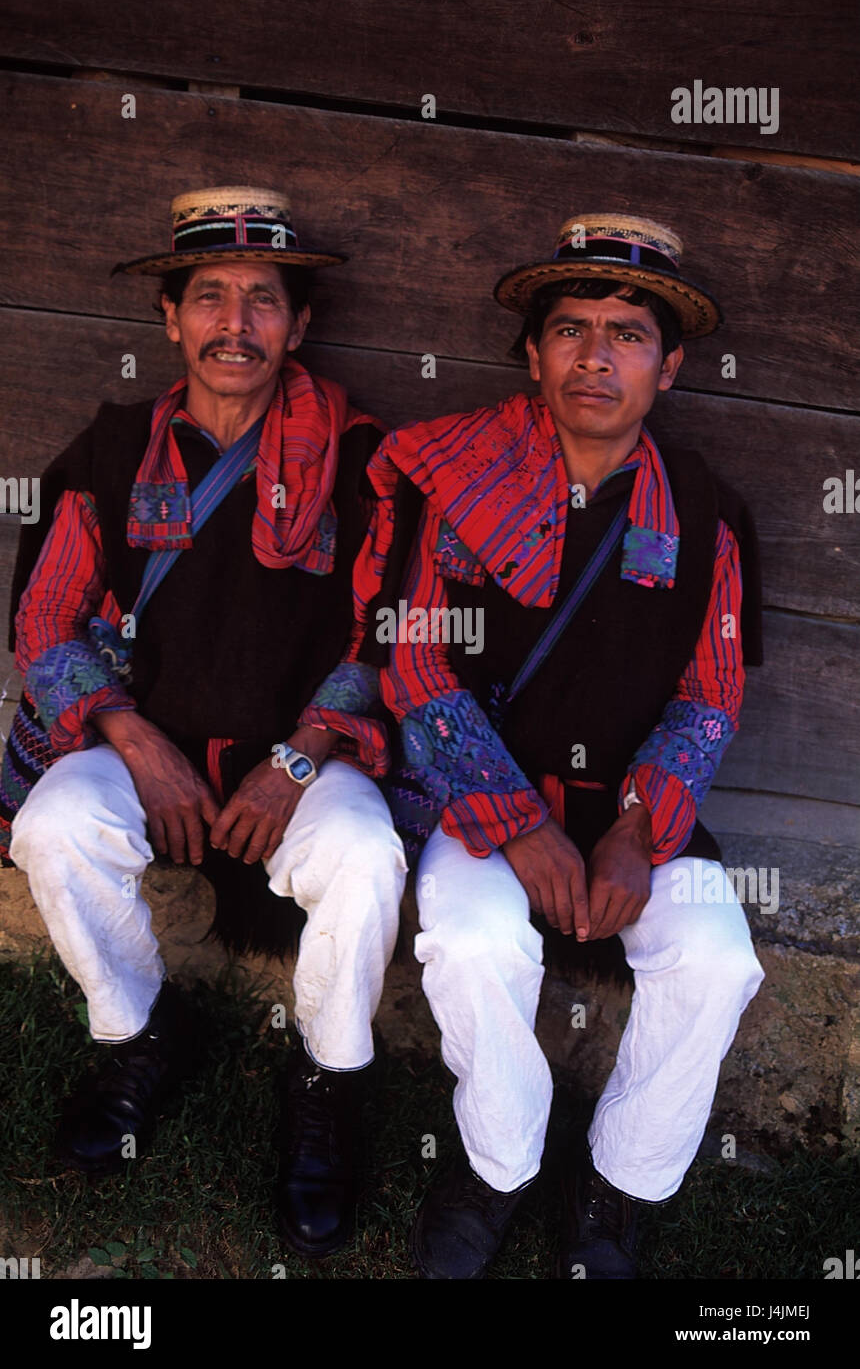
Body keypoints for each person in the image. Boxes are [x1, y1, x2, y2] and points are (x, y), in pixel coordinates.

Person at [1, 185, 407, 1259]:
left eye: (264, 299)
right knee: (52, 827)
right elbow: (44, 621)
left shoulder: (364, 461)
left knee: (366, 857)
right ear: (170, 320)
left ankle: (323, 1075)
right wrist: (137, 743)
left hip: (306, 762)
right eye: (211, 296)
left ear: (300, 325)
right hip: (146, 745)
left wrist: (292, 761)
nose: (237, 322)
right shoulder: (109, 451)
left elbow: (391, 635)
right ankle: (138, 1033)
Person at [363, 213, 766, 1278]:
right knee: (474, 939)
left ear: (668, 365)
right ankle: (498, 1164)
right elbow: (413, 666)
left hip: (636, 814)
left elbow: (706, 696)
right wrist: (519, 824)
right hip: (484, 801)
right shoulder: (456, 480)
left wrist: (635, 830)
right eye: (570, 329)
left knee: (715, 960)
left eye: (627, 333)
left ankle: (615, 1187)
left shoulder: (706, 516)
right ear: (533, 353)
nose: (595, 356)